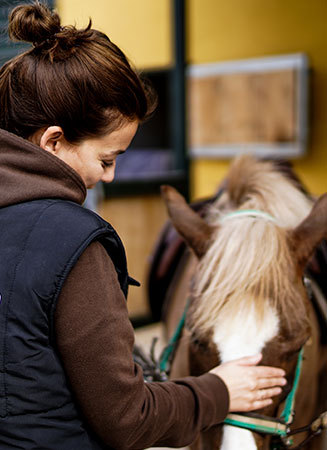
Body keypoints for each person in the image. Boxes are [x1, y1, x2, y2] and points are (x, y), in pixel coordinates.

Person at [0, 2, 286, 449]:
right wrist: (221, 390)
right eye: (106, 159)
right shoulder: (73, 243)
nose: (109, 176)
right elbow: (128, 419)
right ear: (53, 141)